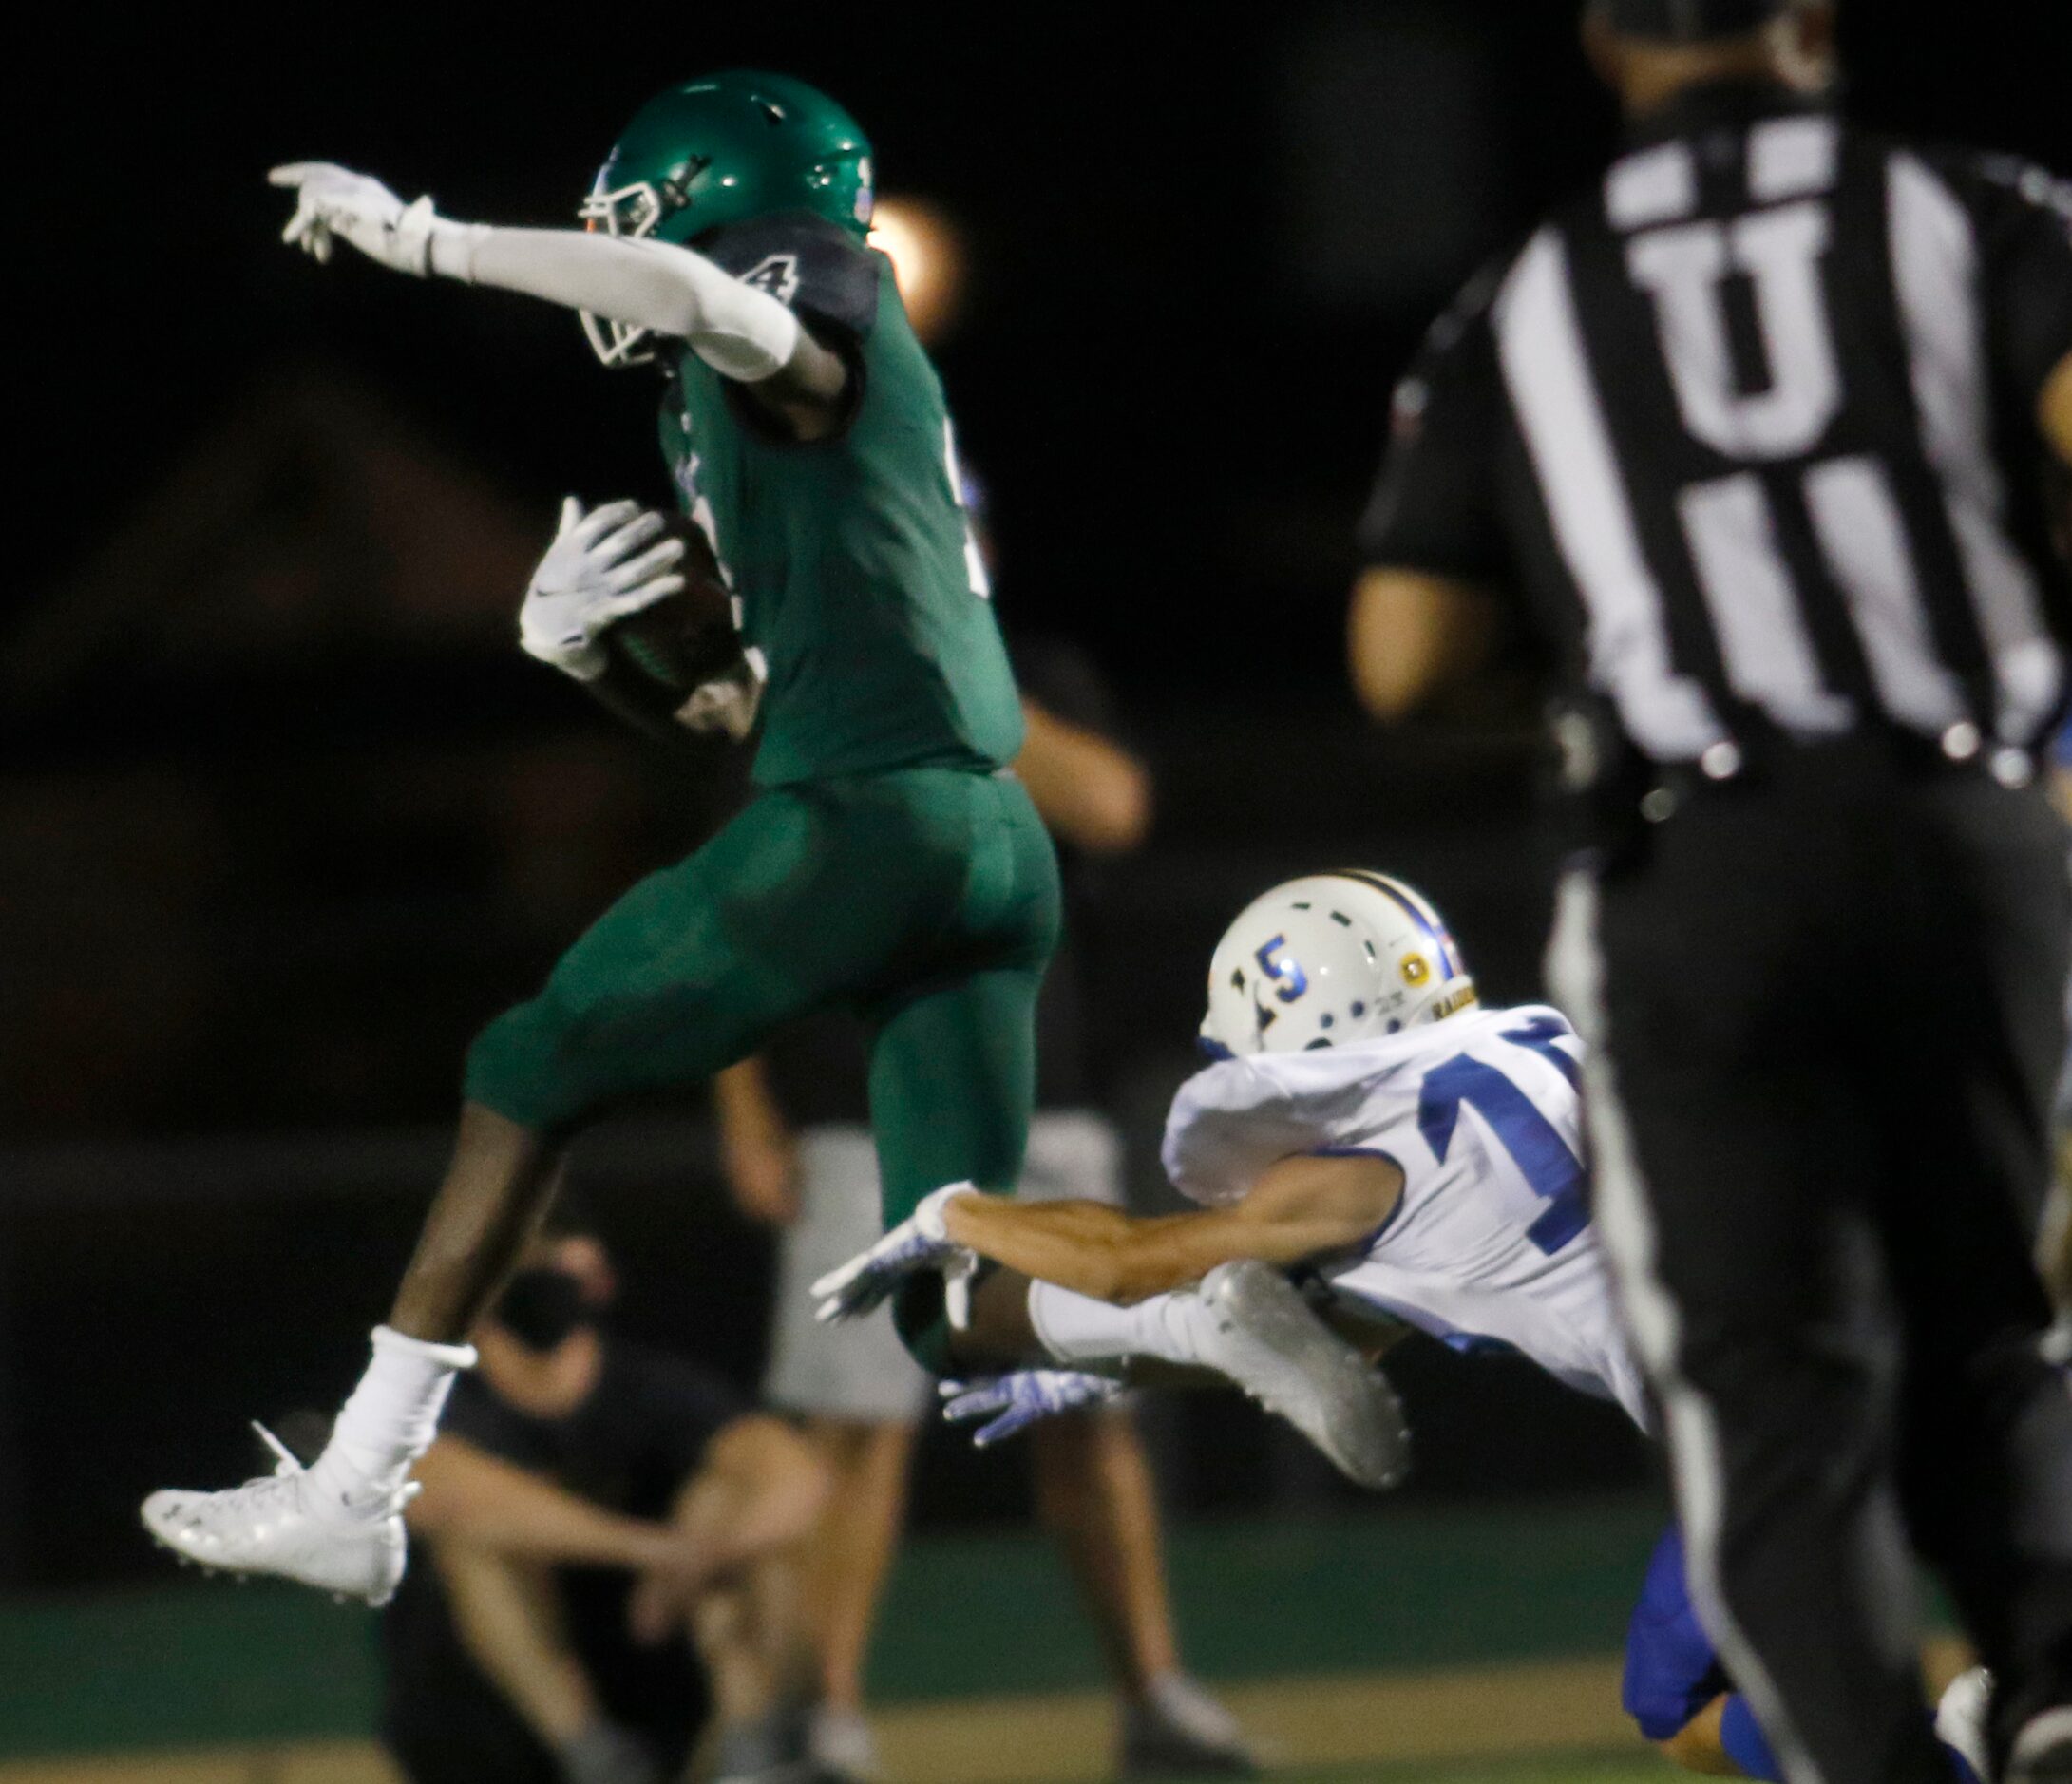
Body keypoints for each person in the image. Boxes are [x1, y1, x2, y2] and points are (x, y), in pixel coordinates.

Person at [140, 72, 1066, 1605]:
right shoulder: (728, 408)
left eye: (631, 217)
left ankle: (359, 1485)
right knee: (961, 1307)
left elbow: (700, 290)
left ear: (720, 201)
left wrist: (425, 242)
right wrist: (593, 658)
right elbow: (747, 711)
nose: (612, 248)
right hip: (977, 837)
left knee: (526, 1063)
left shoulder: (799, 297)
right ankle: (1250, 1283)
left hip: (874, 822)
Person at [1344, 5, 2072, 1780]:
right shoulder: (1975, 211)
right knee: (1992, 1322)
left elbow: (1403, 653)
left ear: (1600, 42)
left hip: (1701, 851)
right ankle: (2051, 1685)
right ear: (1813, 25)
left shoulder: (1527, 293)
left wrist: (1618, 667)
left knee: (1763, 1399)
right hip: (1959, 816)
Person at [829, 871, 1993, 1781]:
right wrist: (1102, 1378)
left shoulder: (1369, 1166)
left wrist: (959, 1208)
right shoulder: (1541, 1050)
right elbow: (1327, 1333)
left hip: (1769, 1422)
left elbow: (1135, 1263)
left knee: (1686, 1702)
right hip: (1891, 1328)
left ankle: (1965, 1754)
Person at [715, 637, 1252, 1780]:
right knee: (854, 1431)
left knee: (1090, 1415)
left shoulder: (1028, 682)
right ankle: (825, 1720)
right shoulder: (800, 684)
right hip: (856, 1112)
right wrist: (744, 1114)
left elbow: (1109, 807)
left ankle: (1154, 1697)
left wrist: (957, 670)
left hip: (1036, 1108)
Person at [383, 1228, 828, 1784]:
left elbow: (797, 1477)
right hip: (504, 1715)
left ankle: (755, 1755)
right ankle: (596, 1760)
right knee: (477, 1550)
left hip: (661, 1656)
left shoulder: (650, 1386)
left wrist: (699, 1557)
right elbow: (446, 1496)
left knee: (724, 1507)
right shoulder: (438, 1406)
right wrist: (652, 1551)